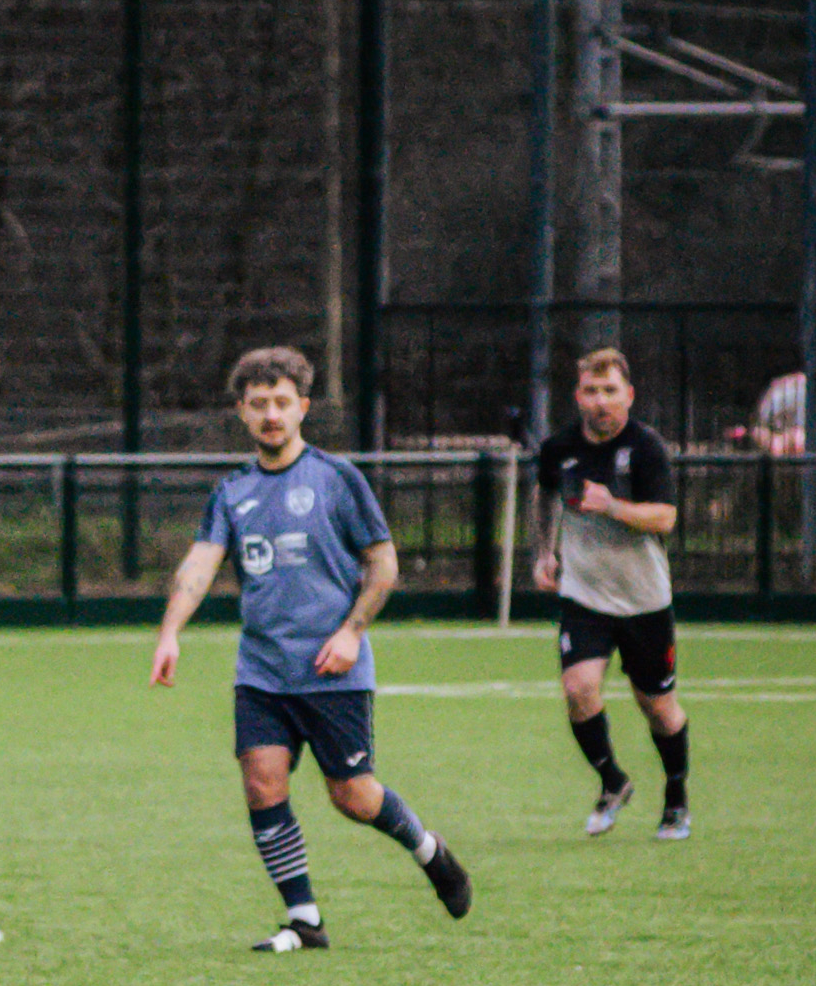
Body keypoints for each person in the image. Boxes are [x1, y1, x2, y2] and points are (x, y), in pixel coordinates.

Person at [149, 346, 473, 952]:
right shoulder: (232, 492)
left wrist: (351, 631)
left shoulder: (337, 479)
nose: (271, 414)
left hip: (332, 669)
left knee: (353, 798)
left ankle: (429, 850)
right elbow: (199, 566)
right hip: (264, 671)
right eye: (258, 404)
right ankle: (304, 918)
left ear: (302, 407)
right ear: (242, 414)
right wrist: (170, 632)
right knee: (262, 783)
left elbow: (383, 564)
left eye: (281, 402)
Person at [533, 348, 691, 840]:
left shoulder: (646, 448)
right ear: (577, 395)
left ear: (629, 396)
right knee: (579, 691)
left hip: (644, 600)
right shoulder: (558, 448)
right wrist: (545, 551)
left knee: (658, 708)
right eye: (591, 391)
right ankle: (613, 781)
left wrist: (611, 505)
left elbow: (665, 518)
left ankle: (676, 798)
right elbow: (544, 495)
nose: (600, 401)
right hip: (585, 597)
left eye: (610, 391)